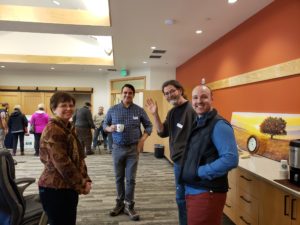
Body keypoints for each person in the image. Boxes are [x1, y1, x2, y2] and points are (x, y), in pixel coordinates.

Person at [179, 85, 239, 225]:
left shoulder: (219, 125)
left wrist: (200, 172)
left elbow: (231, 159)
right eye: (195, 97)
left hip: (206, 192)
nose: (199, 101)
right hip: (194, 189)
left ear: (212, 98)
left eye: (204, 97)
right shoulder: (199, 121)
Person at [145, 80, 197, 225]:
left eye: (172, 91)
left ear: (180, 90)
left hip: (192, 162)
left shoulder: (192, 109)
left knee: (193, 198)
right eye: (166, 93)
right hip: (178, 163)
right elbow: (162, 132)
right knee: (181, 198)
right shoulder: (172, 112)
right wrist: (155, 114)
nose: (169, 95)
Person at [38, 92, 92, 225]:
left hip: (67, 186)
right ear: (54, 108)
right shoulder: (54, 129)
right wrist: (81, 184)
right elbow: (63, 163)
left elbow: (78, 157)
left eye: (71, 105)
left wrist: (86, 178)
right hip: (55, 188)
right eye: (63, 105)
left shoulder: (67, 127)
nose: (69, 108)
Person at [103, 84, 152, 221]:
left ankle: (129, 205)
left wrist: (142, 140)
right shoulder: (113, 110)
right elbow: (104, 125)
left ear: (133, 94)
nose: (127, 95)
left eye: (130, 93)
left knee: (130, 179)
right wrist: (109, 128)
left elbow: (149, 126)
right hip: (117, 148)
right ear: (121, 94)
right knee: (119, 177)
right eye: (125, 92)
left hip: (133, 149)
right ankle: (119, 203)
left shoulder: (139, 110)